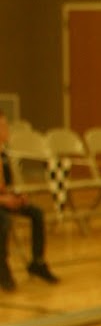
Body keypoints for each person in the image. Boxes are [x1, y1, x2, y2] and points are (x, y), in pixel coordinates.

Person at [0, 113, 60, 290]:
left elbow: (6, 185)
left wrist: (17, 196)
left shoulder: (5, 154)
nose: (6, 131)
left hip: (5, 199)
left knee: (37, 213)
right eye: (2, 127)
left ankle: (37, 261)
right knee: (3, 221)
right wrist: (3, 201)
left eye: (6, 126)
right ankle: (2, 265)